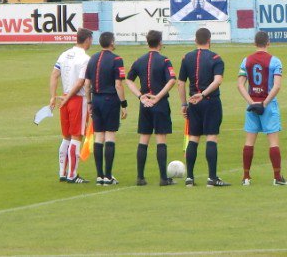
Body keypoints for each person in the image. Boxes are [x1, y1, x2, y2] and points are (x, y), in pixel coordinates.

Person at [178, 28, 230, 187]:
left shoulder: (187, 58)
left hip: (193, 103)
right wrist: (204, 93)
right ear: (210, 40)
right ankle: (212, 178)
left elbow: (180, 83)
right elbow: (218, 81)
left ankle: (190, 178)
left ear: (195, 40)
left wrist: (184, 103)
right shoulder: (216, 58)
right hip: (210, 101)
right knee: (211, 137)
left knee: (193, 138)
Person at [126, 30, 177, 186]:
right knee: (161, 139)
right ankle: (163, 178)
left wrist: (141, 96)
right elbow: (172, 80)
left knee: (144, 139)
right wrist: (159, 96)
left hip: (145, 104)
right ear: (160, 43)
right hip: (159, 104)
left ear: (147, 42)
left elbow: (128, 80)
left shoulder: (139, 60)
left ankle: (140, 177)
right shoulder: (164, 60)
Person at [237, 31, 287, 186]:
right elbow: (277, 86)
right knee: (273, 141)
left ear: (254, 43)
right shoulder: (275, 61)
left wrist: (251, 102)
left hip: (252, 106)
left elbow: (240, 85)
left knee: (249, 141)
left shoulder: (246, 60)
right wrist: (264, 103)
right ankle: (277, 177)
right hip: (268, 105)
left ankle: (246, 177)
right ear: (268, 43)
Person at [50, 28, 94, 183]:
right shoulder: (85, 58)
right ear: (88, 39)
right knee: (76, 136)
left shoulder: (64, 54)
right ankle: (72, 174)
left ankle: (62, 172)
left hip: (63, 99)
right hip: (76, 99)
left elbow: (55, 75)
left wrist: (53, 97)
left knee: (66, 136)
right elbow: (81, 82)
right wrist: (69, 97)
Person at [84, 32, 128, 186]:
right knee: (110, 136)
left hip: (96, 100)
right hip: (110, 100)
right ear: (111, 43)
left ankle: (99, 176)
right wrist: (124, 104)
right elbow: (118, 85)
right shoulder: (117, 59)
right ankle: (108, 176)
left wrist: (89, 102)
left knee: (98, 137)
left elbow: (87, 84)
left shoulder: (92, 59)